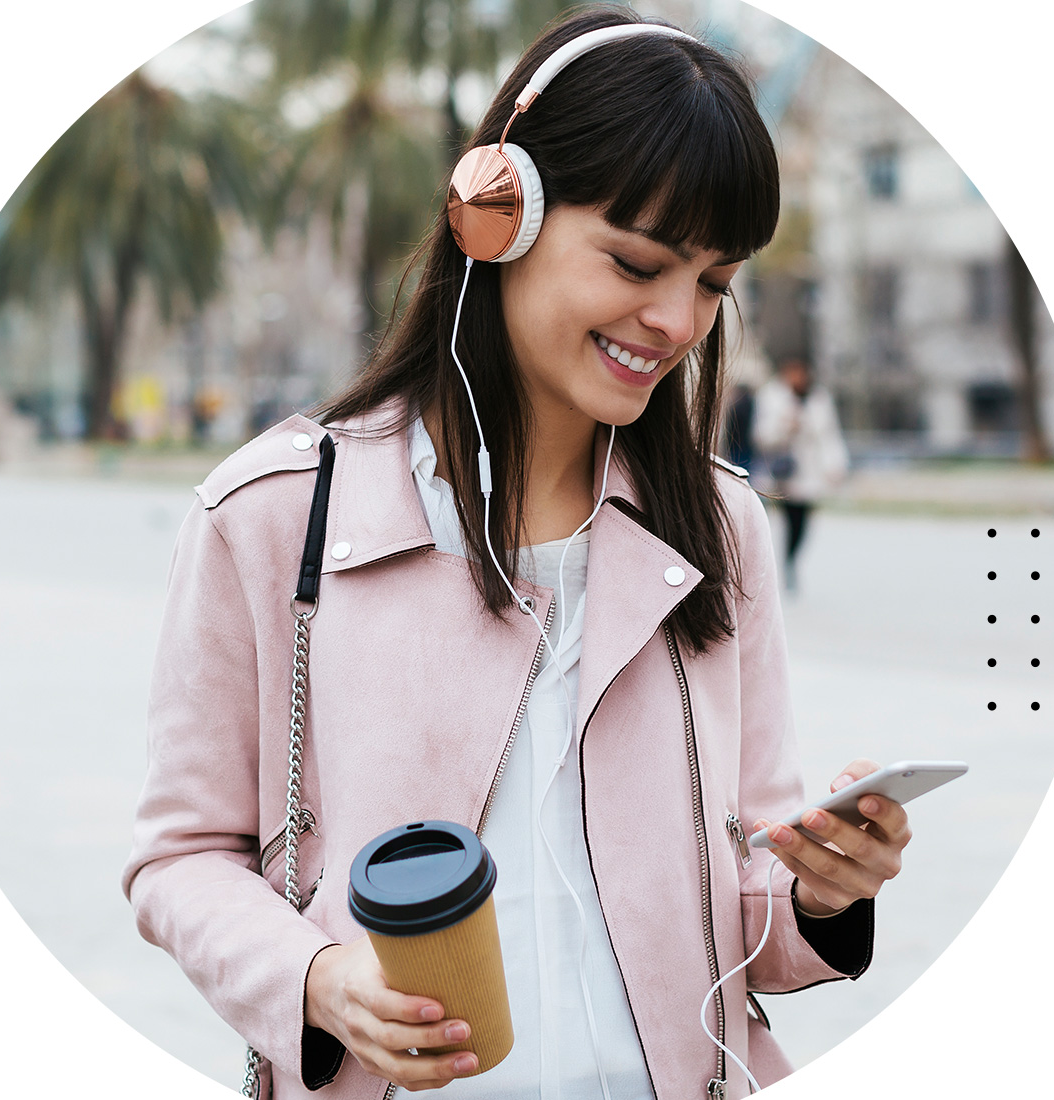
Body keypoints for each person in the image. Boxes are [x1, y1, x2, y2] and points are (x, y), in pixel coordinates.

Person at [124, 9, 914, 1099]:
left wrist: (823, 891)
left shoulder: (720, 526)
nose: (678, 320)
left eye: (714, 282)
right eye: (638, 262)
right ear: (497, 214)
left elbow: (746, 907)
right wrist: (314, 977)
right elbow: (180, 856)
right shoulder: (269, 516)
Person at [747, 359, 846, 593]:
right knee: (777, 521)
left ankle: (790, 560)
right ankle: (773, 567)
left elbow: (829, 435)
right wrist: (784, 427)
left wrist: (835, 465)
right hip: (779, 471)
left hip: (807, 471)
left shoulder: (819, 398)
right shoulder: (771, 396)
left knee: (801, 522)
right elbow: (760, 434)